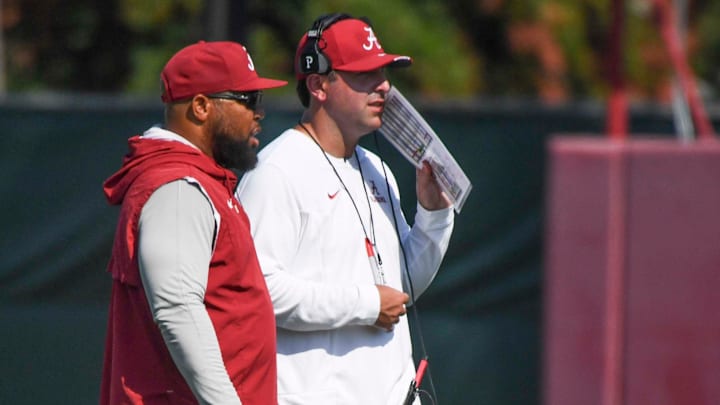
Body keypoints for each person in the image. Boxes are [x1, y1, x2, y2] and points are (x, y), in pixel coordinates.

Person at [235, 13, 455, 404]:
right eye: (364, 75)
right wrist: (366, 304)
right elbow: (258, 292)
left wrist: (434, 215)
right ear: (319, 85)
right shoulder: (277, 171)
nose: (384, 86)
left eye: (384, 72)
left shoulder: (378, 170)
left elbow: (400, 289)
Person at [99, 41, 287, 405]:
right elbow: (177, 308)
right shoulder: (177, 187)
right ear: (201, 106)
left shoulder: (199, 181)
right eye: (248, 99)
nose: (259, 113)